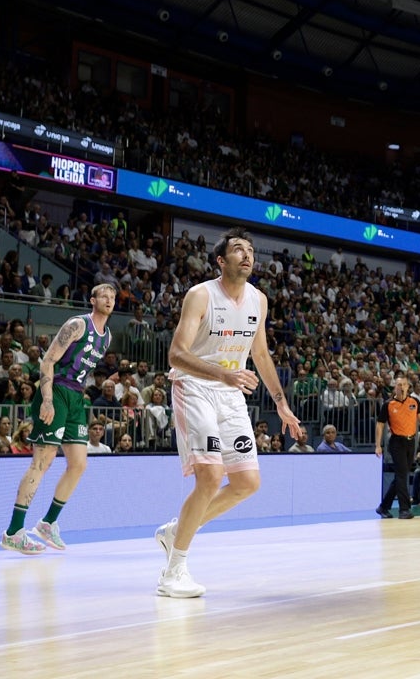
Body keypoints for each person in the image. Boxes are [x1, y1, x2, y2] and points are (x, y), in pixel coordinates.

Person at [154, 228, 302, 598]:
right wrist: (223, 373)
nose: (247, 255)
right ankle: (174, 570)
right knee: (210, 475)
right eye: (238, 249)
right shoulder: (200, 295)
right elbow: (176, 354)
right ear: (221, 260)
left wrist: (281, 402)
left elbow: (261, 354)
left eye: (251, 250)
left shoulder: (259, 300)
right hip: (195, 386)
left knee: (247, 482)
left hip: (231, 394)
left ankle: (177, 531)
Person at [0, 283, 115, 554]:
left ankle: (48, 523)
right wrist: (48, 399)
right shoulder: (77, 325)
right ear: (92, 299)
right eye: (104, 296)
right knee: (43, 461)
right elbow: (47, 361)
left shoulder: (107, 336)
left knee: (79, 464)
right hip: (57, 391)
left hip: (76, 396)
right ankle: (14, 531)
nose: (109, 300)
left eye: (112, 297)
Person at [375, 376, 420, 519]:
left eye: (404, 384)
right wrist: (378, 445)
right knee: (402, 475)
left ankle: (383, 506)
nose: (402, 387)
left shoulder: (414, 402)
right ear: (395, 387)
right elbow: (380, 425)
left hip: (411, 441)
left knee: (401, 475)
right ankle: (404, 509)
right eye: (399, 385)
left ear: (408, 387)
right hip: (397, 442)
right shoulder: (388, 404)